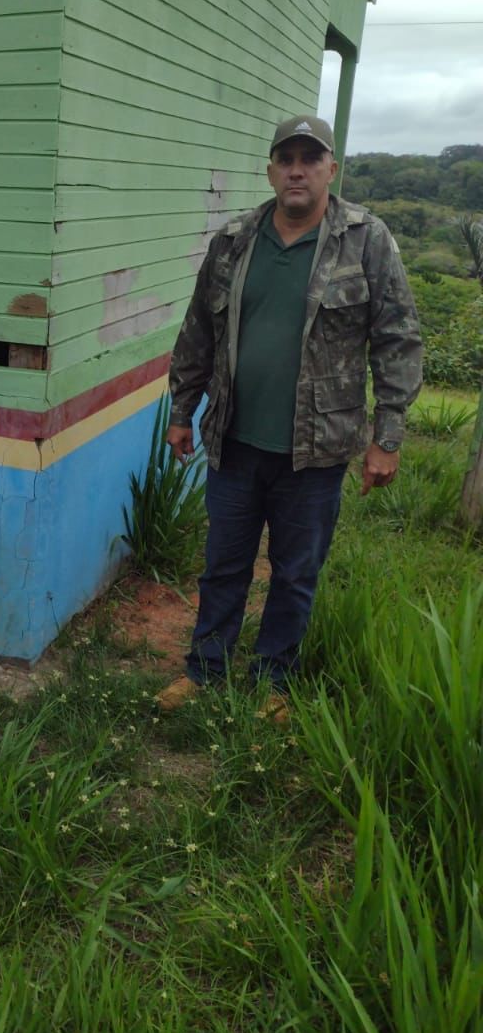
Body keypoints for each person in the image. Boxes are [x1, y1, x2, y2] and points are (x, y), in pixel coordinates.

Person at [156, 115, 422, 721]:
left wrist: (389, 436)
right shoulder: (235, 239)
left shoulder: (365, 239)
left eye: (311, 158)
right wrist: (182, 410)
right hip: (234, 440)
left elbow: (398, 340)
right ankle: (205, 671)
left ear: (332, 168)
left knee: (295, 573)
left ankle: (274, 682)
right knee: (222, 564)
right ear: (271, 169)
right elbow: (197, 331)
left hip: (316, 450)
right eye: (286, 158)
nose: (297, 169)